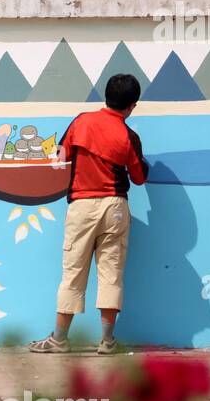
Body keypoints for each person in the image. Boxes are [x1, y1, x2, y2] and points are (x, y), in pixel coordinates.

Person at [29, 73, 149, 355]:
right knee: (111, 273)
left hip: (82, 206)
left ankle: (59, 339)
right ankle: (107, 342)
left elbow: (59, 155)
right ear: (132, 105)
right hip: (115, 207)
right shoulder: (129, 137)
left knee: (73, 272)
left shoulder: (81, 121)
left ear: (105, 96)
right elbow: (140, 177)